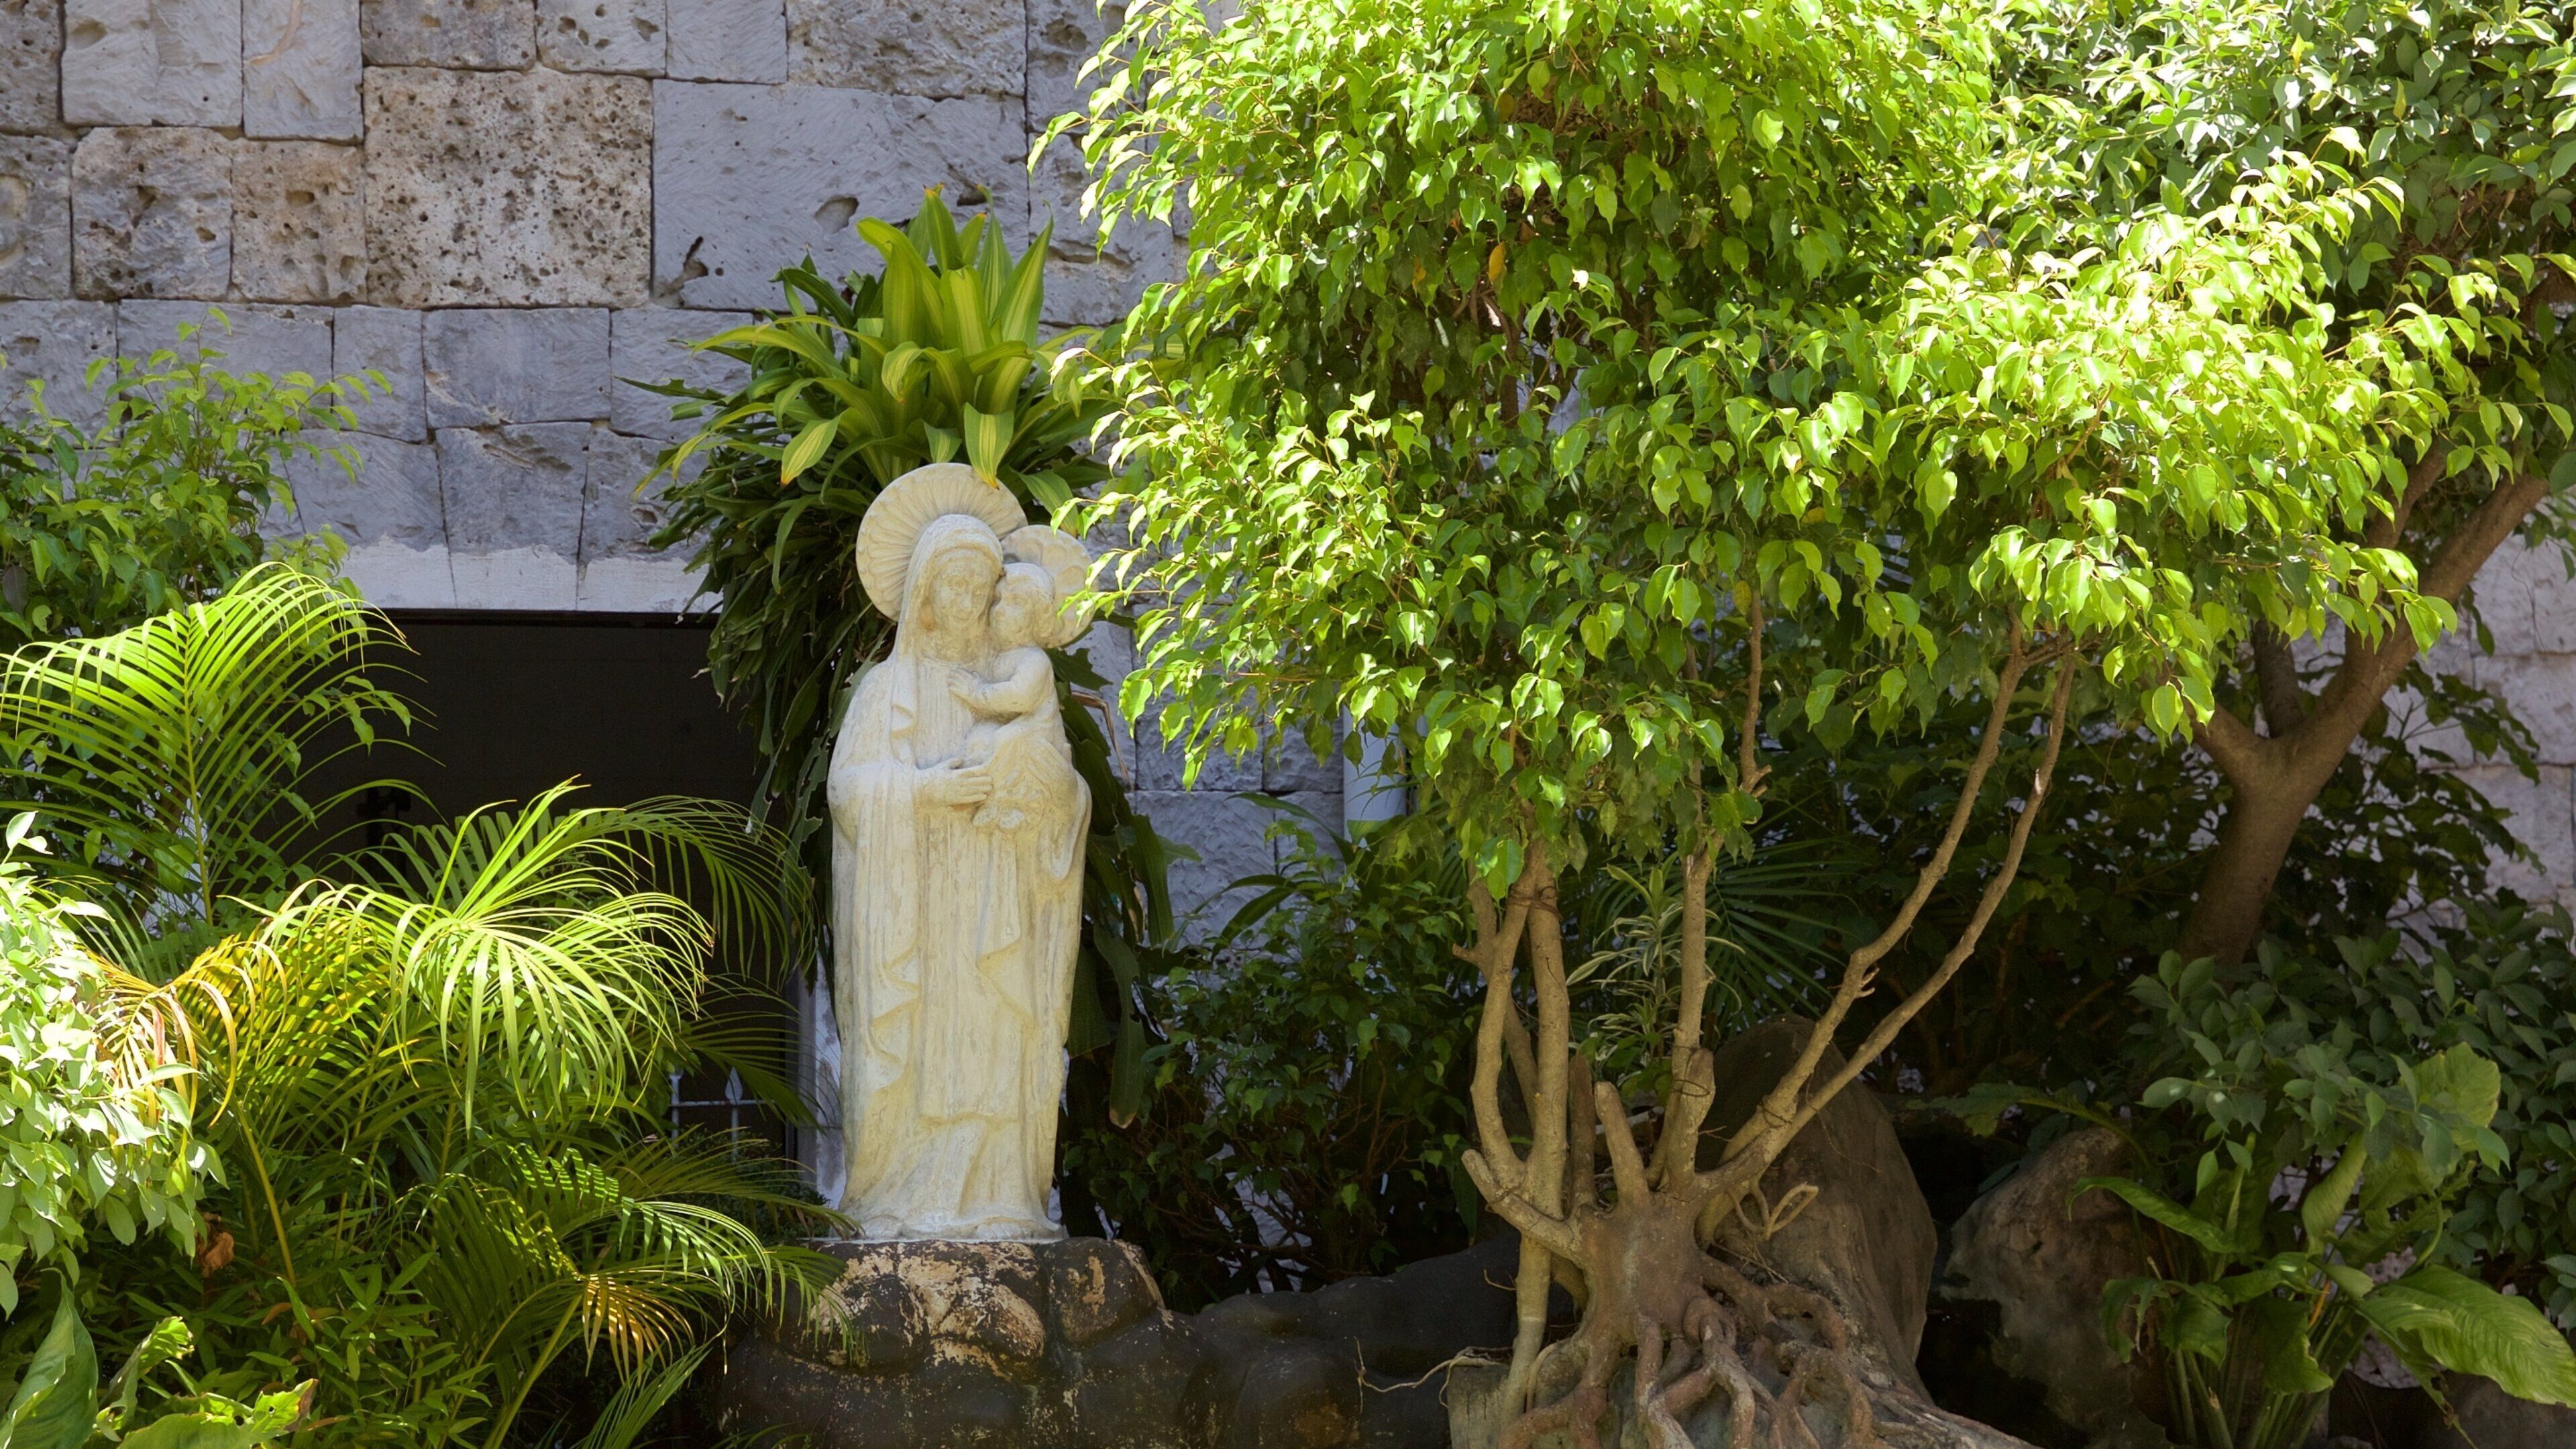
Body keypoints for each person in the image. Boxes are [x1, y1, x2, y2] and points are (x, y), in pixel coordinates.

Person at [826, 469, 1090, 1241]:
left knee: (991, 1034)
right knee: (923, 1045)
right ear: (923, 595)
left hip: (994, 898)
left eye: (984, 584)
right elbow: (849, 794)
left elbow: (1067, 797)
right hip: (917, 903)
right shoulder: (886, 691)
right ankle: (901, 1197)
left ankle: (996, 1194)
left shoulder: (1014, 680)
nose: (971, 599)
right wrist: (924, 793)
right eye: (955, 583)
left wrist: (1044, 801)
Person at [951, 563, 1068, 833]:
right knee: (980, 738)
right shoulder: (994, 657)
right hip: (1012, 727)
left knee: (1007, 740)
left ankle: (1017, 805)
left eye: (1016, 603)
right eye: (998, 600)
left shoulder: (1034, 660)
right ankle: (984, 796)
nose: (1001, 610)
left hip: (1038, 732)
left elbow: (1020, 698)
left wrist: (976, 693)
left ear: (1039, 617)